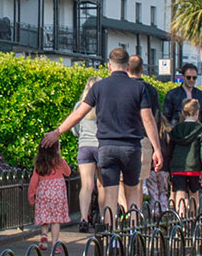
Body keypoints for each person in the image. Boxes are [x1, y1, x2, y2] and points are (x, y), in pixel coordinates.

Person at [43, 45, 165, 225]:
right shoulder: (139, 89)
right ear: (127, 66)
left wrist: (57, 132)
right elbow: (148, 120)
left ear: (109, 66)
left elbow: (78, 114)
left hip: (106, 147)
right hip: (131, 147)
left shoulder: (99, 87)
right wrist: (157, 149)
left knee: (110, 193)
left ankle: (112, 237)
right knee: (132, 191)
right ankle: (132, 232)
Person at [163, 97, 202, 217]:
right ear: (197, 112)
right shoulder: (200, 129)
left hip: (177, 167)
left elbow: (170, 150)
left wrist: (169, 167)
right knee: (194, 193)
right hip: (193, 167)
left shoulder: (176, 129)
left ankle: (180, 217)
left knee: (180, 192)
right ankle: (193, 218)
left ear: (183, 113)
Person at [27, 137, 71, 252]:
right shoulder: (59, 162)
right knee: (56, 220)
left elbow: (34, 181)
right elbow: (68, 172)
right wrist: (61, 158)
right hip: (57, 194)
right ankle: (55, 244)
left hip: (43, 193)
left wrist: (31, 196)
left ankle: (44, 234)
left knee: (45, 217)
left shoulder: (39, 164)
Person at [70, 76, 102, 233]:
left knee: (87, 185)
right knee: (103, 185)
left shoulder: (79, 106)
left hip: (85, 146)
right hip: (101, 146)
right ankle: (103, 217)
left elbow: (74, 129)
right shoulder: (104, 105)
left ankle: (83, 218)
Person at [162, 63, 202, 127]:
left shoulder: (200, 94)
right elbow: (166, 117)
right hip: (177, 131)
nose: (191, 80)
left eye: (194, 78)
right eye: (188, 77)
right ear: (183, 76)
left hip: (196, 132)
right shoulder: (172, 94)